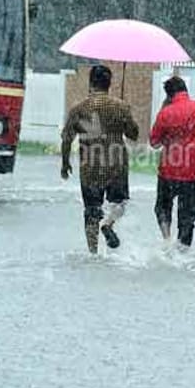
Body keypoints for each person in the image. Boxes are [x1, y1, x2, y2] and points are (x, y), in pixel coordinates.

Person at [60, 65, 140, 253]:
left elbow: (66, 138)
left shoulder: (79, 109)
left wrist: (65, 163)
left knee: (91, 209)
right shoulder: (120, 107)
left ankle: (93, 252)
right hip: (116, 164)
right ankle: (108, 223)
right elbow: (133, 134)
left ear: (91, 82)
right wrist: (126, 115)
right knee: (119, 203)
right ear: (109, 83)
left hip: (90, 167)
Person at [149, 76, 195, 248]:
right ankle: (182, 252)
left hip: (169, 171)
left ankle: (167, 239)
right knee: (187, 218)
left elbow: (154, 143)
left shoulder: (165, 113)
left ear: (168, 95)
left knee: (162, 208)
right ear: (185, 90)